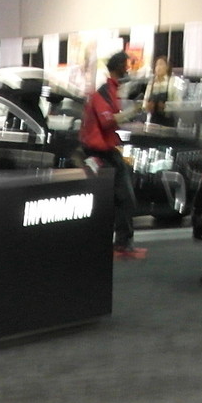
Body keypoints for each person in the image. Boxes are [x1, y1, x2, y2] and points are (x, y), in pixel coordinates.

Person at [81, 50, 143, 261]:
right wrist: (134, 111)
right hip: (101, 152)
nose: (128, 69)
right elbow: (108, 121)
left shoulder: (111, 90)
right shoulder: (104, 93)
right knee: (124, 197)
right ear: (119, 67)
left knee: (117, 197)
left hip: (105, 151)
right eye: (126, 65)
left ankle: (121, 241)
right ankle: (122, 243)